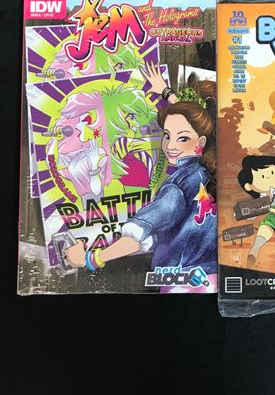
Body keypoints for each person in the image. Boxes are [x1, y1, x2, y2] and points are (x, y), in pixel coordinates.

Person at [65, 64, 217, 292]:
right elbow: (193, 125)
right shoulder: (211, 170)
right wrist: (166, 92)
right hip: (212, 275)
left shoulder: (176, 188)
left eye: (182, 139)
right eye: (166, 135)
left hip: (183, 282)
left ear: (201, 142)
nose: (170, 146)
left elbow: (135, 239)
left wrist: (89, 259)